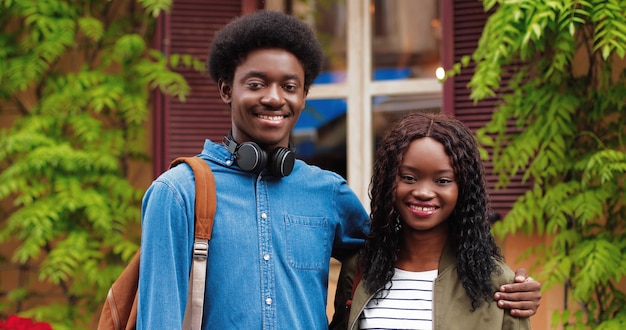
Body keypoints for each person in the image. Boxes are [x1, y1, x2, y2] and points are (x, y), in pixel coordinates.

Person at [136, 10, 541, 329]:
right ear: (227, 89)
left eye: (289, 86)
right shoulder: (178, 192)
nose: (274, 98)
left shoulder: (327, 192)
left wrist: (503, 283)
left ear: (305, 94)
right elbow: (159, 320)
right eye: (256, 84)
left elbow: (405, 244)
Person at [331, 112, 535, 329]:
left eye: (443, 180)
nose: (424, 192)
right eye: (409, 178)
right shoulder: (361, 268)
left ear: (463, 188)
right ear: (389, 181)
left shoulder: (497, 283)